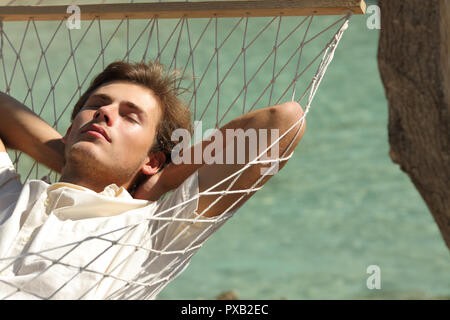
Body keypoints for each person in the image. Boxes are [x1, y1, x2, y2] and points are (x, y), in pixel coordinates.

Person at [0, 60, 305, 299]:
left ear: (152, 160)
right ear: (68, 132)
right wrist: (66, 155)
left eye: (130, 116)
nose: (104, 112)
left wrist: (162, 180)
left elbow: (284, 122)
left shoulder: (153, 231)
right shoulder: (9, 190)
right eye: (96, 104)